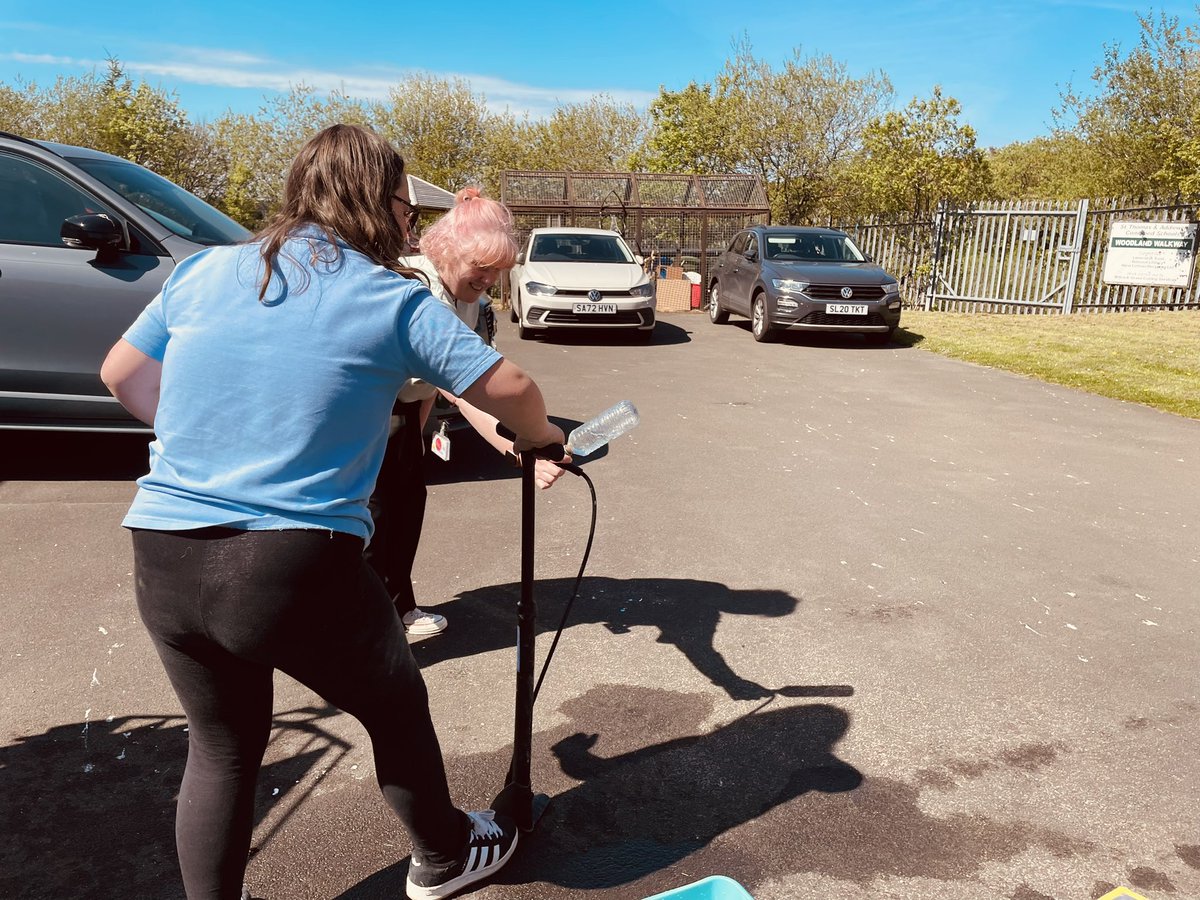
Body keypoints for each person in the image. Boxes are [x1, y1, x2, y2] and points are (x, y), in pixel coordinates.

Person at [100, 123, 566, 900]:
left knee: (221, 746)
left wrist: (213, 437)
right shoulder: (386, 296)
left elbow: (121, 373)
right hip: (287, 561)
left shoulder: (203, 270)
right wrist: (545, 437)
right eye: (403, 208)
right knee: (395, 702)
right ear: (378, 203)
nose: (408, 226)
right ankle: (447, 857)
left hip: (164, 552)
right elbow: (509, 387)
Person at [366, 187, 565, 635]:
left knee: (406, 507)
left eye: (498, 271)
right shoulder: (414, 289)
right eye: (482, 267)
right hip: (367, 415)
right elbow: (474, 391)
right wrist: (524, 443)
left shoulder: (468, 300)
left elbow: (455, 387)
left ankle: (399, 608)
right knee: (372, 523)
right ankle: (366, 631)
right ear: (447, 251)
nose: (489, 279)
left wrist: (517, 451)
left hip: (406, 414)